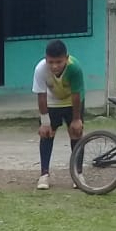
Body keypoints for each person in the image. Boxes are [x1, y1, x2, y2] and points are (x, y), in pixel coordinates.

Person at [32, 39, 84, 190]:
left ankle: (78, 174)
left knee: (76, 133)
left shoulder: (74, 68)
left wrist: (76, 119)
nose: (54, 66)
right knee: (47, 134)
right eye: (51, 62)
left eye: (59, 62)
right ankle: (44, 174)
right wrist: (44, 122)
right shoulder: (40, 69)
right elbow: (41, 96)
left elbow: (76, 94)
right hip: (51, 101)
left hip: (71, 101)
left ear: (66, 58)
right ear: (46, 59)